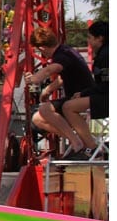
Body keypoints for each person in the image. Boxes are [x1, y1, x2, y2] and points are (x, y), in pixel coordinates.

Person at [24, 26, 95, 157]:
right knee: (37, 119)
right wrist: (48, 90)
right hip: (79, 94)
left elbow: (51, 69)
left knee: (45, 110)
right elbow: (62, 77)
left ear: (42, 48)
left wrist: (35, 78)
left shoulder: (61, 55)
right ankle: (77, 140)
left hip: (81, 96)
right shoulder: (67, 51)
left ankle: (78, 143)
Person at [60, 21, 108, 159]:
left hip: (107, 97)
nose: (88, 41)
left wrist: (84, 93)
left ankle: (91, 147)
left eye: (90, 37)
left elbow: (106, 84)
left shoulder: (106, 56)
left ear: (100, 38)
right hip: (105, 94)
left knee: (68, 107)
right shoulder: (105, 53)